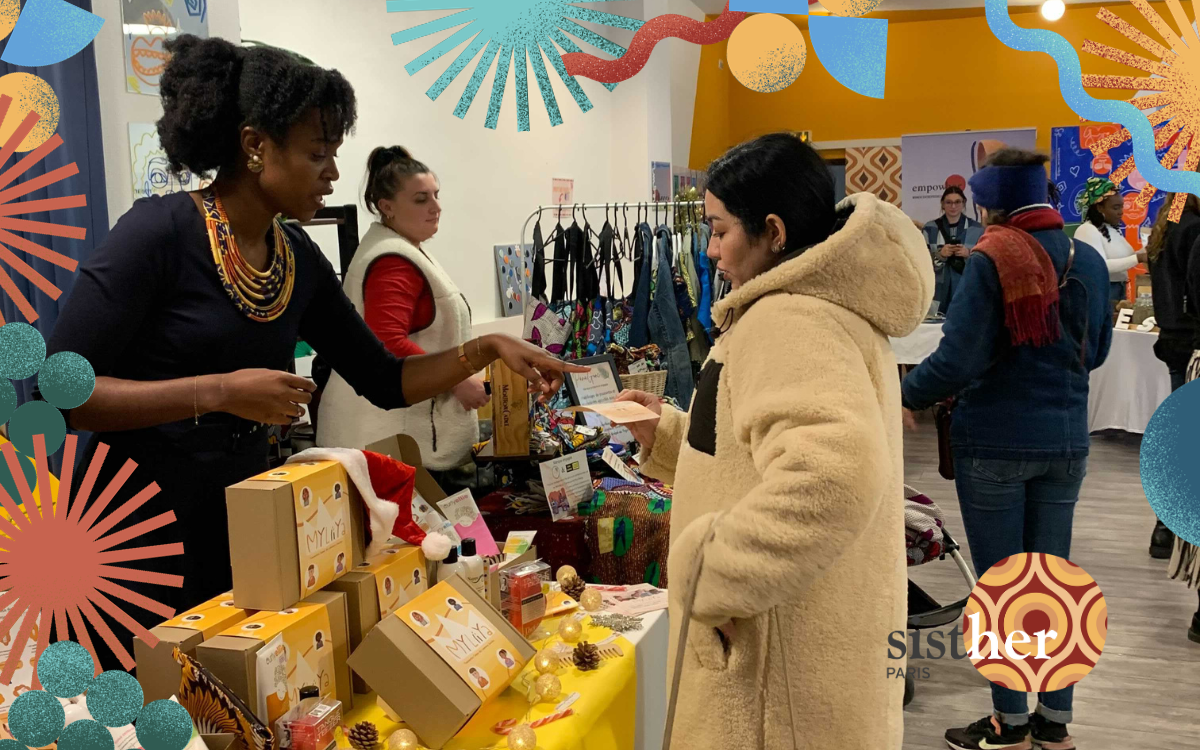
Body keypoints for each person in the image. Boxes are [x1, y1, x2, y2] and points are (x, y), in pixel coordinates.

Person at [44, 35, 582, 669]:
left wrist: (485, 347)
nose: (332, 173)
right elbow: (61, 392)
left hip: (247, 522)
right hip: (130, 530)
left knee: (229, 695)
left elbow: (384, 378)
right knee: (136, 694)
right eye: (318, 154)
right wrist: (220, 391)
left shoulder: (296, 256)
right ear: (255, 146)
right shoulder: (158, 233)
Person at [617, 132, 933, 749]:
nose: (710, 250)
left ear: (773, 231)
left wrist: (710, 572)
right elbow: (755, 449)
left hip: (774, 672)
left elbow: (834, 474)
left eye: (719, 230)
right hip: (803, 643)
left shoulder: (788, 317)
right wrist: (669, 434)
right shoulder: (816, 307)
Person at [900, 148, 1112, 750]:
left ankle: (1010, 724)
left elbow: (958, 359)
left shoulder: (992, 258)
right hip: (1065, 443)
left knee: (1003, 587)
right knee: (1052, 584)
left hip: (993, 443)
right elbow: (1095, 352)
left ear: (992, 204)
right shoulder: (1088, 259)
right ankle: (1056, 724)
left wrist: (905, 395)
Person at [318, 147, 486, 474]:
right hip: (386, 442)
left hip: (391, 438)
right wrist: (457, 378)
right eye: (421, 199)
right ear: (387, 207)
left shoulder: (402, 251)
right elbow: (386, 343)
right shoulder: (392, 261)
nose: (436, 207)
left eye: (436, 195)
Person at [1146, 194, 1200, 560]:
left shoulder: (1168, 225)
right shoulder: (1193, 228)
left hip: (1175, 340)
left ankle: (1166, 527)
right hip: (1191, 342)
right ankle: (1169, 526)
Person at [1072, 177, 1144, 308]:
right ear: (1099, 207)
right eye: (1116, 208)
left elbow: (1128, 258)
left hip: (1118, 289)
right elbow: (1100, 265)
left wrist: (1148, 250)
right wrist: (1138, 258)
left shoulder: (1112, 229)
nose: (1121, 212)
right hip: (1102, 291)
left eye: (1122, 206)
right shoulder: (1087, 230)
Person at [923, 185, 984, 314]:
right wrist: (940, 255)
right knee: (934, 324)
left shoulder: (977, 229)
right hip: (937, 291)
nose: (953, 206)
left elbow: (985, 263)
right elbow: (921, 262)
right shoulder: (930, 228)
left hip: (967, 289)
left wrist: (969, 254)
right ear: (942, 204)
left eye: (957, 202)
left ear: (963, 203)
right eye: (948, 202)